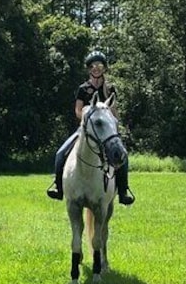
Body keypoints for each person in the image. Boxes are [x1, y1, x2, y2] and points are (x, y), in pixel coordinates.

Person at [46, 50, 134, 205]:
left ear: (104, 68)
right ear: (89, 69)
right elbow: (78, 111)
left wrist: (114, 122)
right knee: (61, 153)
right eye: (93, 65)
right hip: (86, 129)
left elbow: (114, 111)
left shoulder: (110, 89)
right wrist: (88, 120)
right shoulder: (83, 88)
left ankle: (123, 191)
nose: (96, 68)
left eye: (99, 65)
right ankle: (58, 187)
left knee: (123, 157)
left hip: (106, 131)